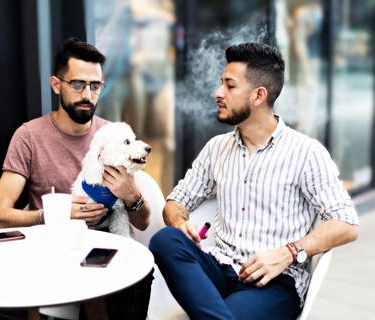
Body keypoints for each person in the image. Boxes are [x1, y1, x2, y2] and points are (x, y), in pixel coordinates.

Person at [149, 42, 359, 320]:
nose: (218, 93)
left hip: (274, 282)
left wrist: (289, 252)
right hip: (218, 268)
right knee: (166, 240)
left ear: (259, 95)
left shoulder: (306, 153)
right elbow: (176, 201)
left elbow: (346, 223)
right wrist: (179, 221)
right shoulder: (216, 148)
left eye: (229, 86)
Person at [0, 37, 152, 320]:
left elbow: (142, 221)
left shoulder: (113, 136)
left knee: (139, 274)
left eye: (95, 86)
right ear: (56, 85)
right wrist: (53, 215)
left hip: (105, 248)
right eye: (78, 84)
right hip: (55, 250)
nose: (87, 94)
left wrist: (130, 195)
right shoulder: (29, 136)